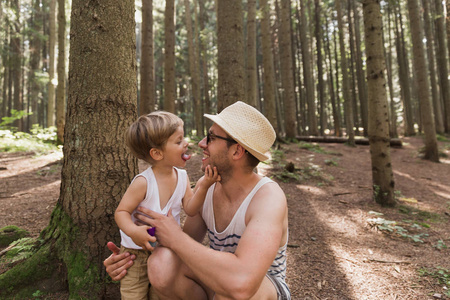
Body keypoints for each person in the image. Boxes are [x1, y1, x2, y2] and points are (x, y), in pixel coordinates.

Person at [104, 101, 290, 300]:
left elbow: (242, 284)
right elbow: (182, 249)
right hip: (220, 284)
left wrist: (175, 237)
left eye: (210, 137)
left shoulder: (268, 198)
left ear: (236, 151)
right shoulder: (207, 189)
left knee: (234, 293)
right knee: (162, 263)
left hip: (260, 289)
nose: (201, 143)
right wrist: (131, 258)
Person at [114, 111, 220, 300]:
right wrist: (134, 231)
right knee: (133, 295)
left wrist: (203, 186)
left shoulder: (182, 177)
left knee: (162, 294)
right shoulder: (143, 182)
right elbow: (121, 212)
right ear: (157, 153)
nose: (186, 143)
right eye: (178, 141)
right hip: (135, 254)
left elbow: (190, 209)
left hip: (165, 250)